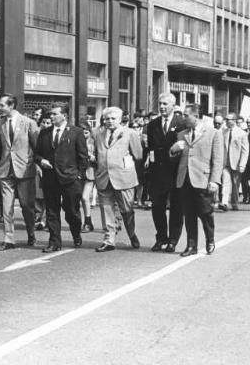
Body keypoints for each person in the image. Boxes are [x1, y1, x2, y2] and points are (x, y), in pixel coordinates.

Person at [170, 104, 224, 256]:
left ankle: (210, 239)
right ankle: (191, 245)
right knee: (189, 214)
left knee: (206, 212)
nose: (183, 118)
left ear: (196, 116)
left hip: (203, 179)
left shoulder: (213, 133)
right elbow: (174, 158)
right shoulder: (182, 134)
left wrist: (214, 180)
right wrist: (173, 149)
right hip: (185, 179)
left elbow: (218, 159)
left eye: (186, 116)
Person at [34, 105, 87, 253]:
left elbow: (83, 157)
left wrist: (79, 176)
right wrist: (41, 161)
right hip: (50, 178)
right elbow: (36, 154)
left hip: (70, 179)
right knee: (52, 211)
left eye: (54, 114)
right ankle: (54, 242)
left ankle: (76, 233)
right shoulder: (44, 133)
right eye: (50, 114)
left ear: (64, 115)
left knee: (71, 211)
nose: (51, 117)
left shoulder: (76, 132)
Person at [93, 106, 143, 252]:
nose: (109, 121)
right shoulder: (98, 134)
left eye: (113, 118)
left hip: (124, 178)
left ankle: (131, 233)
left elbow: (138, 155)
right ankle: (109, 240)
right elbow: (96, 153)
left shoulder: (130, 133)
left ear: (120, 120)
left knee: (127, 210)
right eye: (107, 119)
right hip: (104, 177)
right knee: (107, 209)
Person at [0, 93, 39, 251]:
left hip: (24, 170)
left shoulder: (29, 123)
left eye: (2, 105)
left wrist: (34, 163)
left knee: (27, 206)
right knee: (7, 207)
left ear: (11, 106)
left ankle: (31, 233)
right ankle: (9, 238)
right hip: (6, 170)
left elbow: (36, 147)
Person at [146, 92, 186, 253]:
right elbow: (150, 148)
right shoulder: (153, 124)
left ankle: (173, 240)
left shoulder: (181, 123)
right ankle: (161, 237)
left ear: (173, 106)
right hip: (158, 173)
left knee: (176, 207)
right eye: (160, 104)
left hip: (175, 172)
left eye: (165, 104)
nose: (162, 107)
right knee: (157, 207)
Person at [218, 112, 248, 211]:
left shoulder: (242, 133)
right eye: (225, 119)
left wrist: (242, 164)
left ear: (234, 121)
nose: (226, 121)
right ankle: (224, 203)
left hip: (236, 163)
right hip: (225, 162)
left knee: (235, 184)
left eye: (228, 119)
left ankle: (234, 203)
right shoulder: (223, 131)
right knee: (225, 182)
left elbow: (245, 150)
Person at [80, 122, 96, 232]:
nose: (84, 135)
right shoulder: (76, 142)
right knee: (79, 198)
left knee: (85, 197)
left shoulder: (94, 143)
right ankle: (86, 222)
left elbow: (98, 158)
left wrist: (91, 157)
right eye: (82, 133)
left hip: (90, 172)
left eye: (86, 132)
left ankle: (88, 221)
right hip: (78, 173)